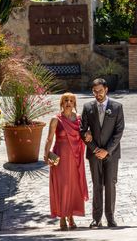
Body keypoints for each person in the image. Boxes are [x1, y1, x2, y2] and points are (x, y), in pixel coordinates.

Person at [80, 78, 125, 228]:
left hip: (111, 154)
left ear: (106, 90)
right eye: (94, 91)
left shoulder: (117, 107)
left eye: (100, 91)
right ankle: (96, 218)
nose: (97, 94)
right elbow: (83, 130)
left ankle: (110, 218)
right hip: (94, 153)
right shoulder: (87, 107)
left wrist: (107, 150)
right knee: (97, 185)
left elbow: (119, 131)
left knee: (110, 184)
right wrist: (94, 149)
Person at [44, 92, 88, 230]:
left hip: (76, 158)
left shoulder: (80, 120)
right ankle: (62, 216)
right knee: (62, 186)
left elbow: (85, 135)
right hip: (60, 158)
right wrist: (46, 154)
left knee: (74, 186)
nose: (68, 102)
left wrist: (89, 135)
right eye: (66, 100)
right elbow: (49, 139)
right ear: (61, 103)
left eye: (71, 100)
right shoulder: (56, 119)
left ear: (74, 103)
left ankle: (71, 216)